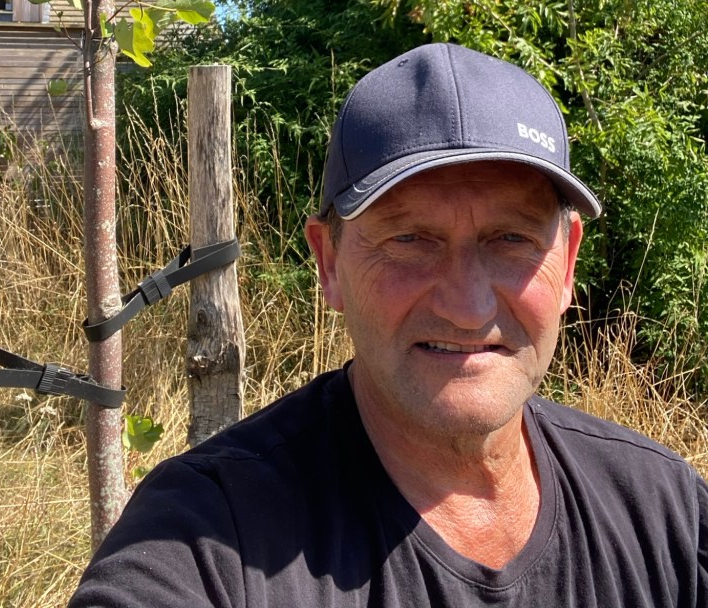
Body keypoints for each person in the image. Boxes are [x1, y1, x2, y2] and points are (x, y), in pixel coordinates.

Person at [69, 42, 708, 607]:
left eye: (510, 239)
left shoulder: (663, 511)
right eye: (410, 240)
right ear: (330, 263)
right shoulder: (211, 537)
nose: (467, 305)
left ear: (566, 262)